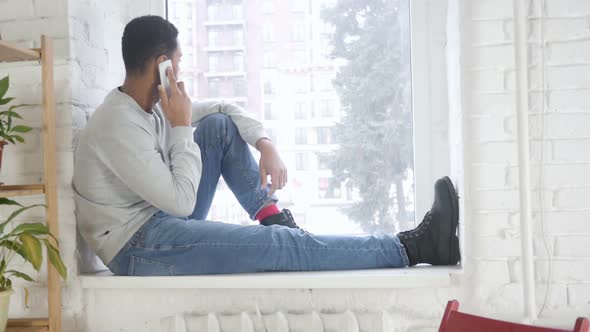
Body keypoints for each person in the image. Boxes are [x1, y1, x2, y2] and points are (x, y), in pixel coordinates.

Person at [73, 15, 460, 276]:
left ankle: (273, 215)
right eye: (179, 60)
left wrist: (265, 143)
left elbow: (223, 111)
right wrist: (179, 127)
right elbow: (181, 202)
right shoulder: (116, 124)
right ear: (162, 64)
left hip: (160, 220)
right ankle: (414, 248)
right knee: (278, 247)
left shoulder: (150, 105)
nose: (182, 69)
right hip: (138, 248)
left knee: (220, 127)